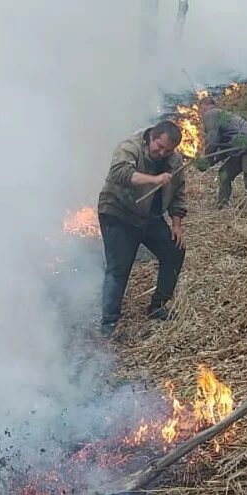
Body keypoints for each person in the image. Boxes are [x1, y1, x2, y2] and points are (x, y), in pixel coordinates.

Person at [97, 121, 187, 338]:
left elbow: (179, 194)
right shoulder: (130, 147)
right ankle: (109, 323)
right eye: (159, 146)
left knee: (174, 251)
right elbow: (121, 173)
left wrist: (176, 224)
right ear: (151, 138)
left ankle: (158, 306)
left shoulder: (174, 161)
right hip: (119, 212)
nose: (162, 153)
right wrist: (155, 179)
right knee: (119, 268)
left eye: (168, 150)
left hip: (149, 217)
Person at [198, 96, 247, 215]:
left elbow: (212, 139)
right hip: (243, 148)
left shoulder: (211, 114)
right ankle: (222, 207)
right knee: (224, 173)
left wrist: (206, 159)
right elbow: (223, 150)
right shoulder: (223, 116)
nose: (200, 114)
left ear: (203, 106)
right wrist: (210, 162)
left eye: (200, 110)